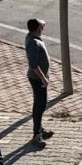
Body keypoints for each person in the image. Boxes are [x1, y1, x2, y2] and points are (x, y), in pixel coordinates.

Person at [24, 18, 54, 148]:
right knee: (39, 106)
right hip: (37, 79)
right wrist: (43, 78)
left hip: (38, 78)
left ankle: (40, 130)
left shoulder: (31, 35)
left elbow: (42, 22)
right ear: (38, 29)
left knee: (40, 104)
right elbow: (34, 65)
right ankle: (36, 136)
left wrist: (40, 23)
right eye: (41, 27)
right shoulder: (33, 43)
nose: (43, 28)